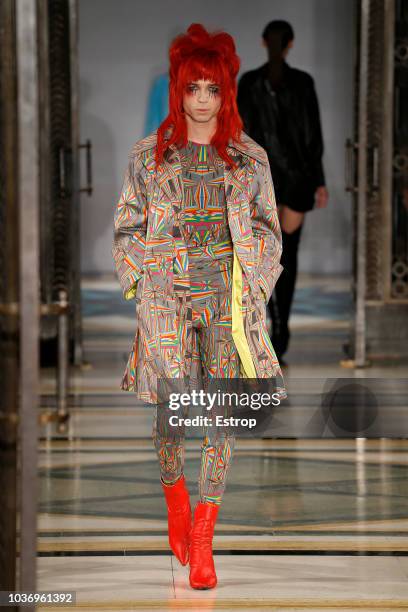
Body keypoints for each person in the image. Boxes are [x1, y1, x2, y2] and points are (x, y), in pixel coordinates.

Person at [112, 23, 286, 590]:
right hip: (167, 301)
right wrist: (140, 285)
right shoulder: (148, 157)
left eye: (213, 89)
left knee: (221, 416)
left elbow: (267, 228)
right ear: (178, 91)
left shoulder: (248, 158)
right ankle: (175, 500)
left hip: (228, 305)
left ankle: (205, 537)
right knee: (171, 415)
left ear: (226, 92)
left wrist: (254, 286)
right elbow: (126, 226)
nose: (204, 100)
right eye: (194, 89)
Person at [237, 20, 329, 364]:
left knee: (262, 258)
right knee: (288, 254)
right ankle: (283, 327)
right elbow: (312, 136)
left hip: (259, 179)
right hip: (297, 179)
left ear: (264, 42)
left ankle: (266, 324)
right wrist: (318, 180)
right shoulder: (303, 83)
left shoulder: (248, 83)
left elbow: (239, 135)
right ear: (290, 44)